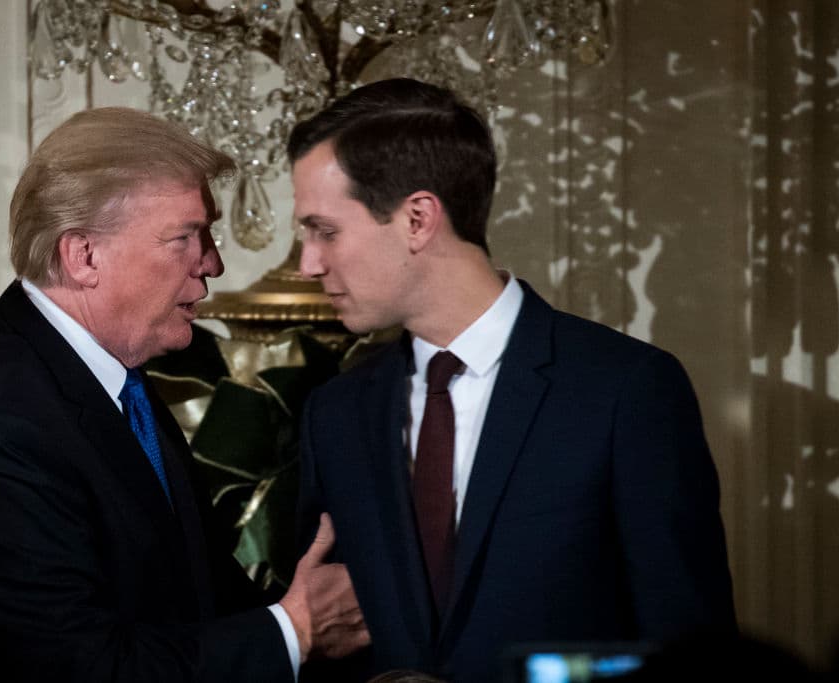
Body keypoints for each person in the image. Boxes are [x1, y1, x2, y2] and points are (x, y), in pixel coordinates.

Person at [0, 106, 367, 683]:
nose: (212, 263)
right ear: (83, 256)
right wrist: (294, 630)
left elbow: (196, 600)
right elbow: (80, 669)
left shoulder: (107, 378)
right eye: (185, 237)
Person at [289, 78, 736, 682]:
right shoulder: (337, 413)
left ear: (418, 218)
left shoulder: (625, 391)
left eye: (326, 231)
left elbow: (690, 653)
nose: (308, 263)